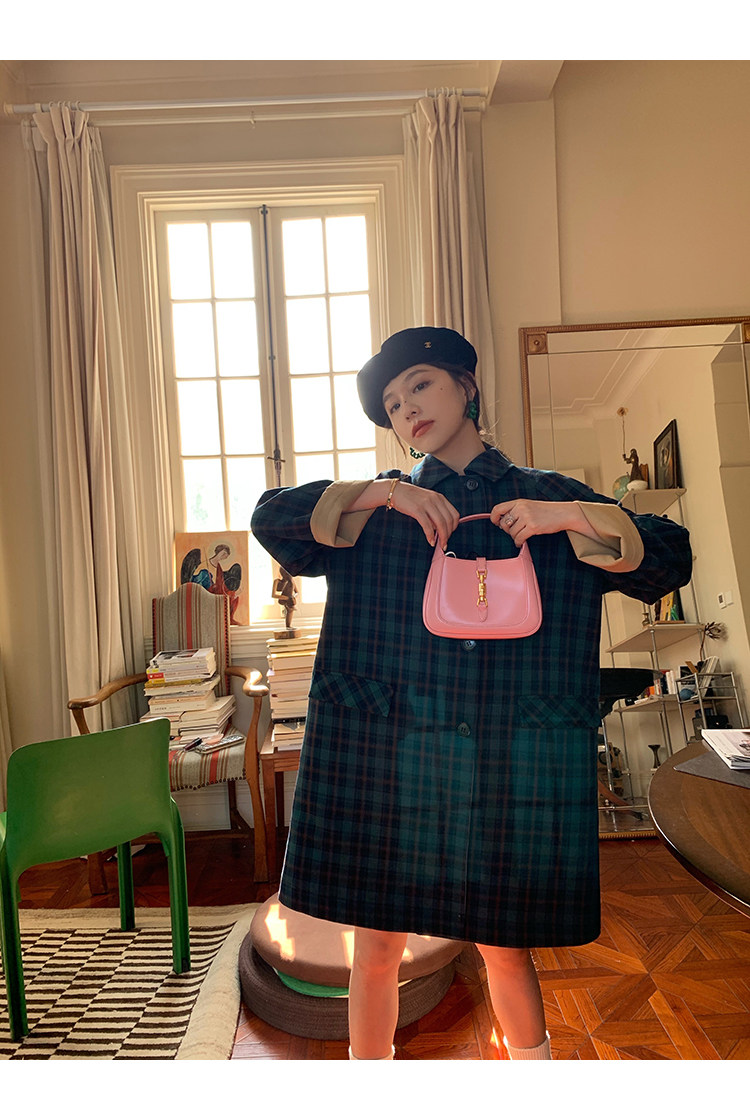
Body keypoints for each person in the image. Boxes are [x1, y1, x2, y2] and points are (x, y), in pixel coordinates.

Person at [251, 327, 692, 1061]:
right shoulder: (377, 508)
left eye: (420, 385)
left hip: (509, 755)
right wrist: (385, 493)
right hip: (393, 754)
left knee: (505, 945)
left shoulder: (550, 496)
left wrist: (568, 516)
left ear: (467, 386)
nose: (407, 408)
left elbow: (670, 557)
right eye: (394, 404)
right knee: (377, 945)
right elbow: (272, 520)